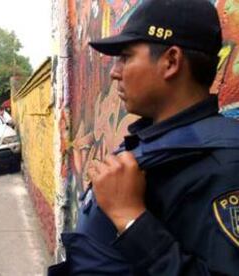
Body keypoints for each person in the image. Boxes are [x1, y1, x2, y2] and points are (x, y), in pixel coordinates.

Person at [48, 0, 239, 275]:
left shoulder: (224, 165)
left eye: (125, 57)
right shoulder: (158, 142)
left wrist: (131, 219)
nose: (114, 72)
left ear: (171, 61)